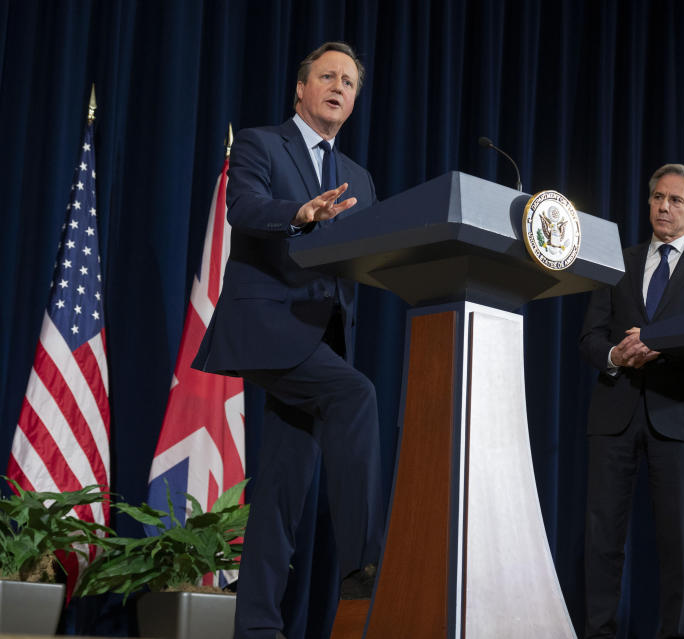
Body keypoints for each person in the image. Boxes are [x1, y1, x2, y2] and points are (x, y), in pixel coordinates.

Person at [192, 42, 384, 639]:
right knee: (356, 398)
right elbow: (243, 208)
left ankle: (256, 628)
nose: (338, 87)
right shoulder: (260, 143)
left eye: (349, 82)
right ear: (301, 89)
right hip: (269, 326)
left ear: (353, 101)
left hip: (320, 337)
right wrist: (299, 215)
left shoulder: (359, 177)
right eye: (327, 76)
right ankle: (367, 564)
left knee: (280, 491)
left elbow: (366, 253)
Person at [579, 164, 684, 639]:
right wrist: (615, 353)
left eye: (674, 200)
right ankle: (600, 632)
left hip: (678, 414)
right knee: (602, 537)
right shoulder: (619, 260)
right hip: (615, 413)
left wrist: (662, 342)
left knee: (676, 544)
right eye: (657, 198)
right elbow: (590, 335)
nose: (663, 207)